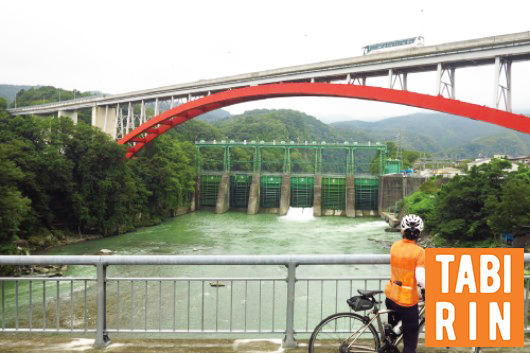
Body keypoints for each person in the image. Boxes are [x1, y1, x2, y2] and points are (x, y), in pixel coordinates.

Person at [383, 214, 426, 353]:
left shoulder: (394, 247)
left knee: (392, 338)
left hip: (391, 296)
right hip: (407, 302)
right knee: (409, 344)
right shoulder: (420, 252)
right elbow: (420, 278)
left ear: (402, 231)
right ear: (419, 233)